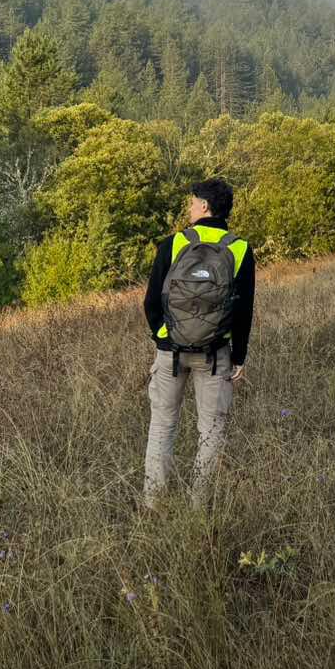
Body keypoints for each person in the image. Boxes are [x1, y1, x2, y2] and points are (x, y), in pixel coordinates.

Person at [141, 177, 255, 508]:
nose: (189, 208)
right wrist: (239, 356)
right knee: (211, 431)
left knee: (162, 426)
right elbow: (243, 310)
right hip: (216, 355)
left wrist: (164, 336)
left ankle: (154, 504)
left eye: (192, 203)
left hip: (170, 353)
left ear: (205, 206)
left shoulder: (174, 243)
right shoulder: (240, 249)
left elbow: (151, 302)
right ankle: (198, 508)